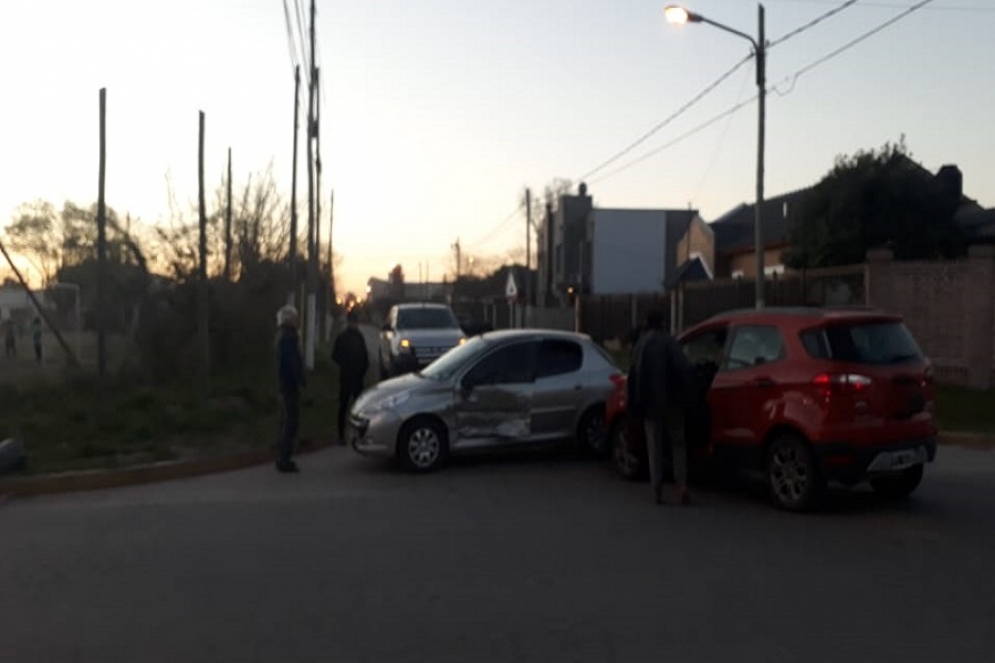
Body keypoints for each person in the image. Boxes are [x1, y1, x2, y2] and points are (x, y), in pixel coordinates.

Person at [628, 309, 696, 506]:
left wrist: (634, 405)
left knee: (654, 447)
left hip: (648, 404)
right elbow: (684, 368)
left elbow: (632, 377)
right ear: (663, 323)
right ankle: (681, 485)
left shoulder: (640, 345)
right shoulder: (670, 342)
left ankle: (657, 488)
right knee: (678, 443)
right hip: (672, 401)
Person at [275, 305, 305, 473]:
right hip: (289, 385)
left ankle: (282, 454)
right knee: (291, 421)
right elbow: (291, 363)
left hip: (285, 384)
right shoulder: (288, 338)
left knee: (286, 420)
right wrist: (298, 380)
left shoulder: (284, 336)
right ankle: (284, 458)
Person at [332, 310, 370, 444]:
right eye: (353, 322)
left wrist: (363, 369)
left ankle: (359, 434)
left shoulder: (359, 337)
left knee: (359, 407)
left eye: (356, 322)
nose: (355, 325)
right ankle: (341, 435)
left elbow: (365, 356)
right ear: (349, 323)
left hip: (358, 377)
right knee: (343, 406)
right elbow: (335, 356)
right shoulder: (343, 337)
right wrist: (345, 364)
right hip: (347, 377)